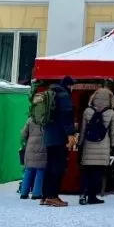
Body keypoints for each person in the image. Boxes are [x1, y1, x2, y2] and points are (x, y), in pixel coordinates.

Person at [40, 76, 76, 207]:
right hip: (59, 136)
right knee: (58, 166)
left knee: (49, 165)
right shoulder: (64, 95)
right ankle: (52, 196)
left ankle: (45, 196)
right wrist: (70, 134)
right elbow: (66, 115)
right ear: (69, 85)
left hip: (49, 135)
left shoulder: (51, 93)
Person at [78, 87, 114, 205]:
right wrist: (112, 144)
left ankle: (83, 194)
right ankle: (92, 197)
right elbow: (113, 132)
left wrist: (80, 143)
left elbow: (83, 129)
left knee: (86, 172)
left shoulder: (87, 111)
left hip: (88, 146)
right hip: (103, 147)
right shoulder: (111, 113)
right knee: (97, 174)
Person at [19, 99, 47, 200]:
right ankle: (36, 193)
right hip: (42, 147)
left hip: (30, 147)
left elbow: (23, 134)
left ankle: (24, 193)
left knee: (29, 170)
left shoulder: (30, 119)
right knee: (40, 171)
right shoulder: (46, 120)